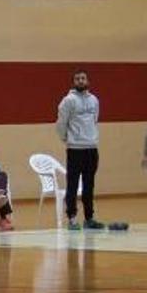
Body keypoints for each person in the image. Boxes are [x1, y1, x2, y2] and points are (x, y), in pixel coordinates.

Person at [56, 69, 104, 230]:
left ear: (87, 80)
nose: (81, 81)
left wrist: (90, 137)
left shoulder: (94, 100)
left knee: (89, 185)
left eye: (83, 78)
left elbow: (95, 119)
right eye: (78, 79)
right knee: (73, 184)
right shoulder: (68, 101)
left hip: (91, 148)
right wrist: (67, 139)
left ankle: (89, 218)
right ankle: (72, 218)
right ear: (74, 82)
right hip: (75, 149)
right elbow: (61, 123)